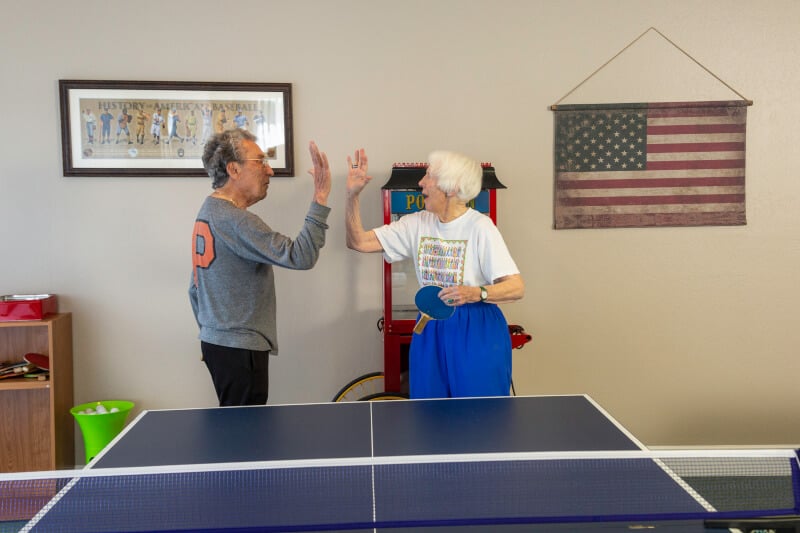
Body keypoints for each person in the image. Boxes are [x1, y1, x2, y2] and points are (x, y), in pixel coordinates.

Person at [345, 148, 524, 399]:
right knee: (429, 415)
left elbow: (516, 287)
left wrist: (476, 292)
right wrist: (352, 196)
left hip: (476, 328)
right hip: (430, 325)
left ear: (451, 187)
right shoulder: (416, 223)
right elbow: (358, 242)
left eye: (428, 176)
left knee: (482, 417)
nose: (420, 183)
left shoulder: (481, 227)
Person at [189, 128, 331, 406]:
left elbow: (194, 288)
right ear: (233, 169)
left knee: (237, 432)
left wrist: (212, 334)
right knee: (244, 439)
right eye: (260, 162)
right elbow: (300, 256)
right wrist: (321, 198)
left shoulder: (207, 212)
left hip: (219, 344)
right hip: (239, 348)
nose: (270, 171)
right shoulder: (236, 221)